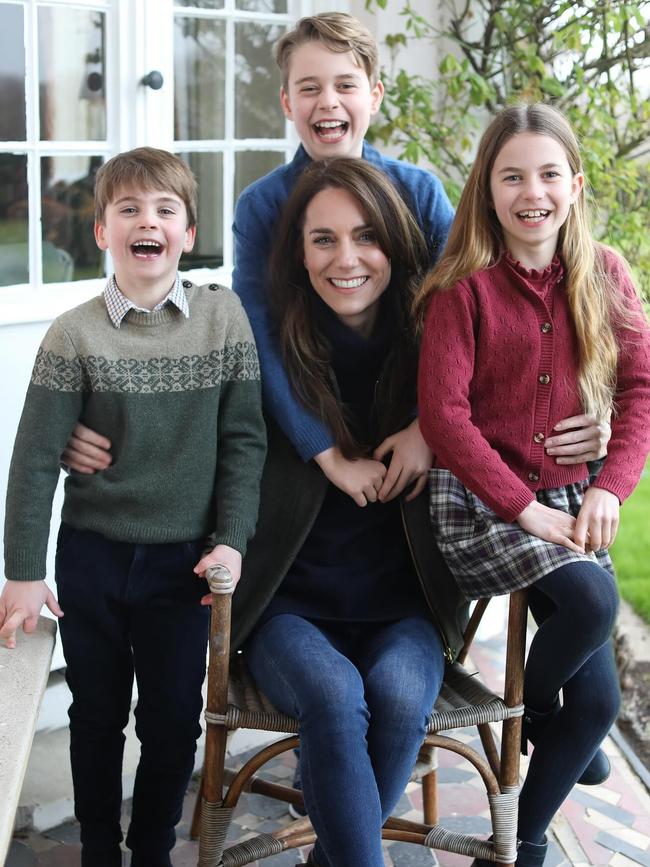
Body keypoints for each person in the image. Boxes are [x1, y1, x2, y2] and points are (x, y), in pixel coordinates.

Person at [63, 13, 610, 492]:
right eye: (308, 87)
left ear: (373, 95)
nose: (327, 101)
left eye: (345, 84)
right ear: (286, 102)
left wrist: (428, 429)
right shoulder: (262, 206)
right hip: (308, 429)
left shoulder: (418, 193)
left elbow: (480, 318)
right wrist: (323, 450)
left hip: (412, 421)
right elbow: (257, 339)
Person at [0, 147, 266, 867]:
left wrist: (231, 539)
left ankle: (150, 849)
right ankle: (97, 848)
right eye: (129, 209)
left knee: (174, 720)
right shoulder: (73, 334)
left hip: (186, 566)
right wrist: (23, 570)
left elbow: (244, 442)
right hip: (93, 556)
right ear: (101, 232)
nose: (147, 220)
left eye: (164, 210)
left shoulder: (223, 321)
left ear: (187, 232)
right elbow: (32, 459)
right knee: (94, 717)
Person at [416, 103, 650, 867]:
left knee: (602, 703)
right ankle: (536, 710)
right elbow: (444, 418)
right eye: (511, 175)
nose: (532, 191)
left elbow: (641, 389)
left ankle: (525, 842)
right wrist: (521, 507)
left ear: (575, 184)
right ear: (487, 189)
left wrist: (609, 487)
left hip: (565, 498)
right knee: (590, 600)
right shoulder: (463, 287)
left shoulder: (606, 273)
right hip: (479, 502)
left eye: (549, 173)